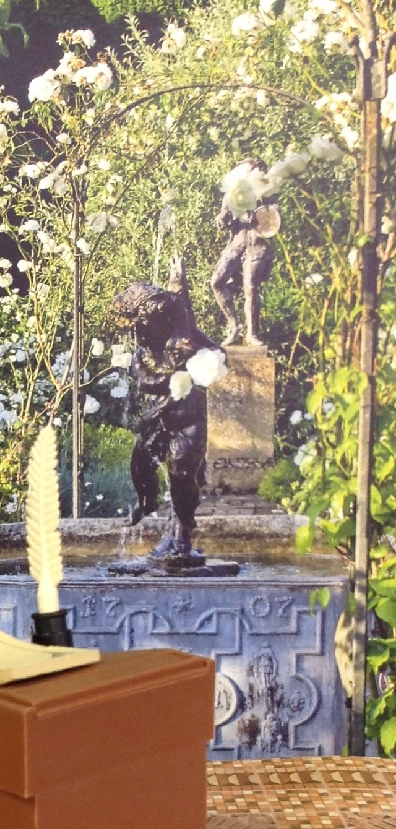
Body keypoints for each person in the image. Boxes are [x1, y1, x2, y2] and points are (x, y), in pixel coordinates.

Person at [112, 256, 223, 559]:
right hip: (157, 419)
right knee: (140, 466)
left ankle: (182, 535)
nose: (139, 334)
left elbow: (217, 351)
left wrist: (200, 369)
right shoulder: (143, 353)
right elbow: (144, 381)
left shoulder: (183, 340)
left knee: (181, 475)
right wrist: (175, 379)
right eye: (137, 328)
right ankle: (146, 504)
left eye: (143, 327)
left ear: (159, 322)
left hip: (188, 421)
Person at [211, 158, 281, 347]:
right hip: (237, 244)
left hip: (257, 246)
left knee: (251, 288)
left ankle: (252, 334)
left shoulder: (268, 193)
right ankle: (234, 325)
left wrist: (266, 214)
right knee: (217, 281)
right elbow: (223, 218)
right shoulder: (233, 193)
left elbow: (274, 219)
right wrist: (222, 218)